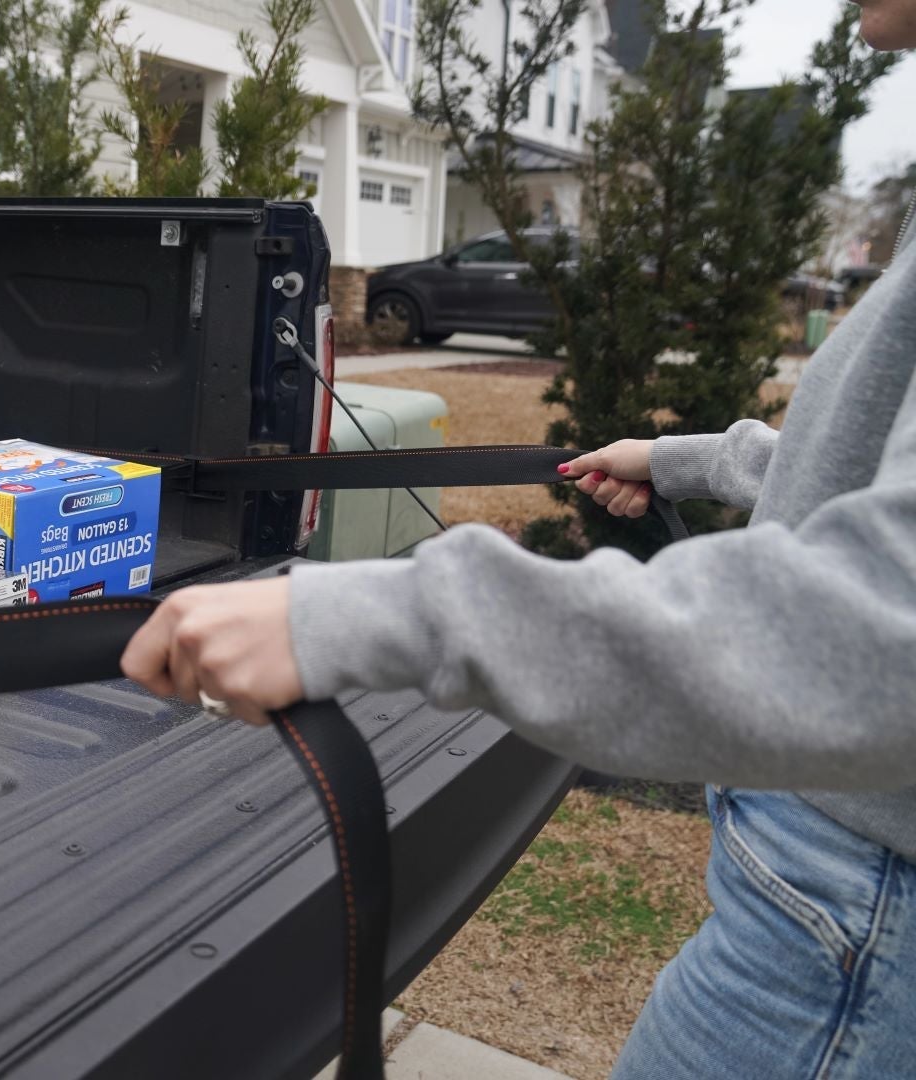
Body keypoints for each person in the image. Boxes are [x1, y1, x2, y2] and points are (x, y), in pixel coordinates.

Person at [120, 4, 916, 1076]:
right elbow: (866, 464)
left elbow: (884, 636)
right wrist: (688, 460)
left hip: (861, 922)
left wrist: (365, 613)